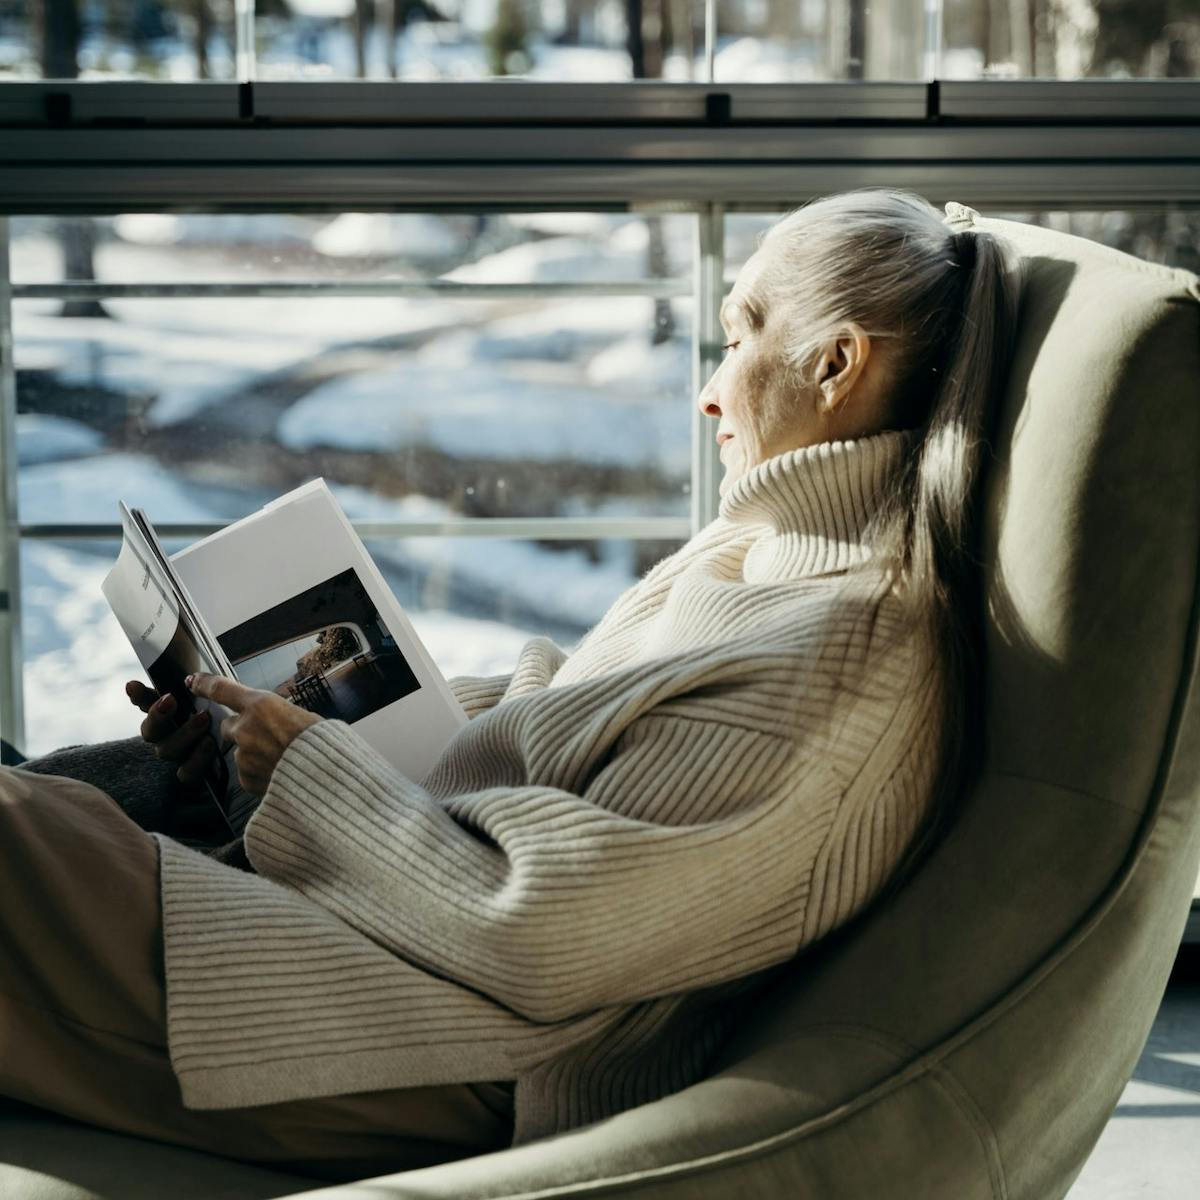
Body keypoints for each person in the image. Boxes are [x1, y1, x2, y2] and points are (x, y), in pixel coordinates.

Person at [0, 187, 1022, 1181]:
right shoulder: (764, 553)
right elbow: (574, 724)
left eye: (739, 335)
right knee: (88, 783)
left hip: (452, 1037)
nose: (707, 388)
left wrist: (310, 766)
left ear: (836, 363)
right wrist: (276, 735)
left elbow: (547, 936)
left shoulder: (843, 660)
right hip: (397, 928)